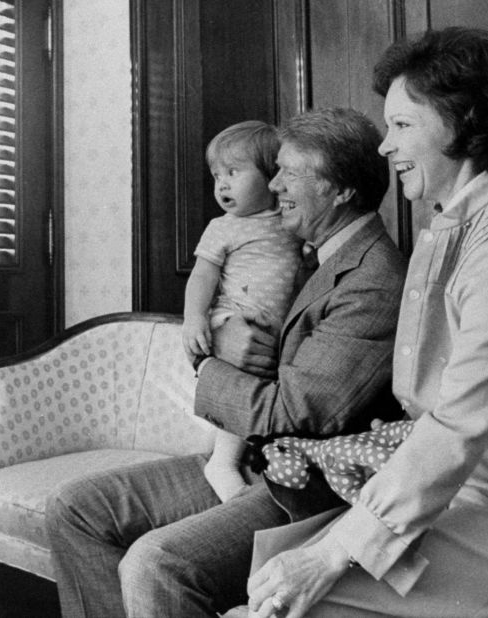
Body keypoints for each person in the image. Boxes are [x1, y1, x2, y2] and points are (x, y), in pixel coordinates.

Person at [244, 27, 488, 618]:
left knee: (291, 602)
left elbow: (458, 424)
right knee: (271, 576)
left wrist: (334, 553)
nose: (382, 147)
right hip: (469, 489)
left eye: (402, 126)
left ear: (465, 121)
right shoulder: (452, 225)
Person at [45, 107, 407, 617]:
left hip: (302, 484)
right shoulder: (308, 249)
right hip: (256, 457)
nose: (275, 184)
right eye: (274, 170)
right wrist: (220, 332)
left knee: (155, 563)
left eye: (290, 174)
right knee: (74, 509)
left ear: (340, 189)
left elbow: (300, 411)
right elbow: (239, 303)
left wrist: (210, 364)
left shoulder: (372, 278)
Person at [182, 120, 302, 502]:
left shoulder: (290, 221)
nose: (222, 184)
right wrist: (195, 318)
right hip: (232, 317)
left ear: (272, 175)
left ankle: (252, 457)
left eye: (233, 172)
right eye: (217, 175)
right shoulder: (224, 227)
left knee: (268, 387)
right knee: (244, 380)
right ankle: (223, 461)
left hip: (272, 328)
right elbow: (202, 276)